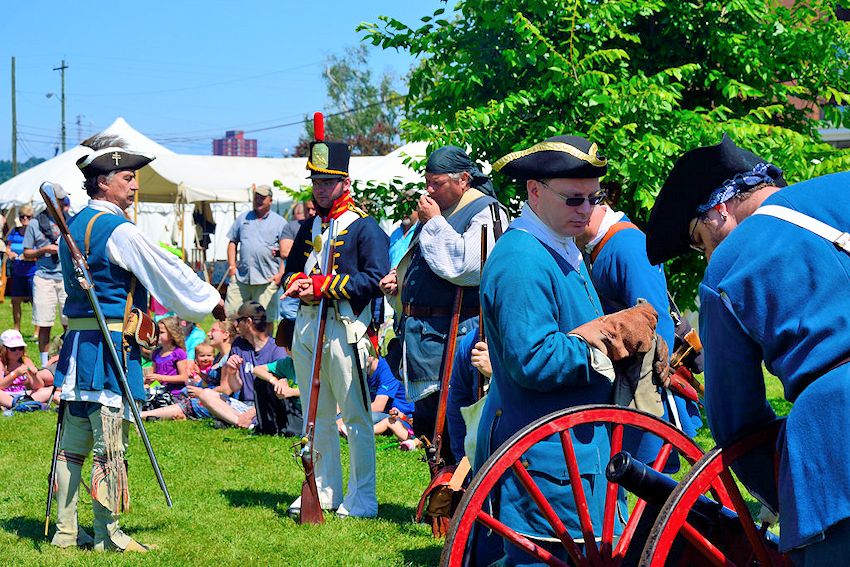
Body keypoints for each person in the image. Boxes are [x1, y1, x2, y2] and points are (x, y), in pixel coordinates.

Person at [645, 134, 850, 564]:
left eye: (701, 242)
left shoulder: (727, 266)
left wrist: (789, 487)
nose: (707, 257)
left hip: (837, 447)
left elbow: (737, 424)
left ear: (718, 212)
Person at [478, 135, 662, 564]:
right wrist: (608, 345)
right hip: (547, 464)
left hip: (574, 455)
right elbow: (533, 359)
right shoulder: (522, 260)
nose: (587, 210)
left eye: (593, 199)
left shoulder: (560, 246)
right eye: (574, 199)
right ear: (535, 192)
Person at [50, 134, 223, 552]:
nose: (134, 185)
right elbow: (164, 267)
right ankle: (107, 536)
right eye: (127, 178)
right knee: (110, 444)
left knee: (72, 445)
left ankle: (65, 532)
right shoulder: (116, 228)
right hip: (108, 346)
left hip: (78, 345)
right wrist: (208, 300)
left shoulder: (72, 225)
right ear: (103, 182)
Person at [379, 145, 508, 464]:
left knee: (455, 424)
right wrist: (400, 283)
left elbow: (469, 268)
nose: (429, 190)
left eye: (437, 183)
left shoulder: (484, 211)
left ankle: (459, 498)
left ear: (463, 179)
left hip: (458, 336)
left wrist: (435, 222)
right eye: (428, 182)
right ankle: (440, 494)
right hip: (427, 337)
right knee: (427, 422)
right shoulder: (436, 211)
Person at [283, 138, 389, 519]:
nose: (321, 189)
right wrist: (296, 281)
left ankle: (363, 498)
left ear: (345, 182)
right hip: (308, 326)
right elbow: (292, 268)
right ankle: (324, 490)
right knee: (317, 414)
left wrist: (319, 286)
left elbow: (375, 279)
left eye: (328, 182)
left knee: (357, 417)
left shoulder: (363, 227)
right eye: (316, 182)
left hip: (345, 326)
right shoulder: (310, 224)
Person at [576, 200, 702, 464]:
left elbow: (655, 319)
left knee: (649, 474)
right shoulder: (603, 246)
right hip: (626, 373)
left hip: (644, 379)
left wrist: (653, 382)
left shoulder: (627, 245)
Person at [195, 301, 289, 432]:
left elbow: (281, 393)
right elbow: (235, 387)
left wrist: (251, 413)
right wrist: (232, 371)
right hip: (242, 403)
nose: (235, 324)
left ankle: (237, 420)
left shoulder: (276, 350)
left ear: (248, 322)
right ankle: (244, 424)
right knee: (206, 394)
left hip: (266, 407)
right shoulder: (239, 345)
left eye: (238, 320)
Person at [225, 185, 287, 321]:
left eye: (262, 198)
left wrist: (280, 274)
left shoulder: (280, 222)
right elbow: (232, 242)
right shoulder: (243, 218)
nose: (258, 200)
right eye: (256, 197)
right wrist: (232, 266)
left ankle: (266, 343)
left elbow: (286, 251)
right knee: (231, 316)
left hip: (267, 279)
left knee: (265, 320)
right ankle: (233, 342)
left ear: (270, 200)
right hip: (242, 277)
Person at [23, 184, 70, 367]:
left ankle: (67, 360)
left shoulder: (69, 220)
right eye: (59, 200)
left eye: (62, 200)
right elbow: (27, 253)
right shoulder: (35, 223)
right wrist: (44, 250)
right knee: (44, 323)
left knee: (70, 322)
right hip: (44, 276)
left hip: (65, 277)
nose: (62, 203)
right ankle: (44, 364)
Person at [5, 205, 36, 333]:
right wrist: (10, 253)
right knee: (15, 300)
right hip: (18, 271)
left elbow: (39, 251)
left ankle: (37, 330)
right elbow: (8, 247)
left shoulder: (35, 231)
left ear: (32, 217)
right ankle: (16, 328)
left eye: (28, 217)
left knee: (36, 302)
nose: (25, 219)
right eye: (22, 216)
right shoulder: (14, 231)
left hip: (32, 271)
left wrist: (29, 256)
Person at [0, 329, 49, 409]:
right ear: (3, 349)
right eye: (13, 349)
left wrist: (33, 374)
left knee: (50, 390)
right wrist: (15, 374)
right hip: (5, 395)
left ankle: (21, 405)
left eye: (20, 348)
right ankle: (19, 404)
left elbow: (39, 386)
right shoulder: (1, 362)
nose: (17, 351)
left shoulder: (25, 360)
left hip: (23, 394)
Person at [144, 316, 189, 396]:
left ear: (172, 334)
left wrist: (161, 378)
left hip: (175, 394)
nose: (158, 335)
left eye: (161, 332)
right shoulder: (156, 352)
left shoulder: (178, 353)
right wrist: (149, 381)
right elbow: (154, 375)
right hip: (160, 392)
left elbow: (184, 377)